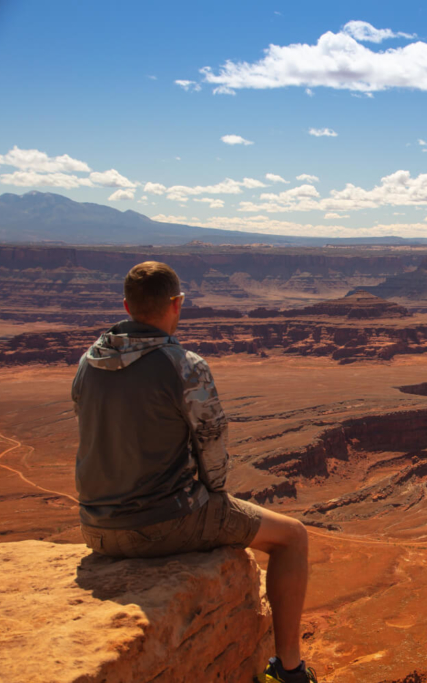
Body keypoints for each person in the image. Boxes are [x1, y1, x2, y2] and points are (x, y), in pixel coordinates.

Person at [72, 261, 316, 683]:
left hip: (95, 528)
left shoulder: (87, 362)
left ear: (127, 305)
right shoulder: (184, 365)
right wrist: (214, 497)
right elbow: (213, 455)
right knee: (292, 537)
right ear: (177, 304)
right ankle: (290, 668)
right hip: (166, 523)